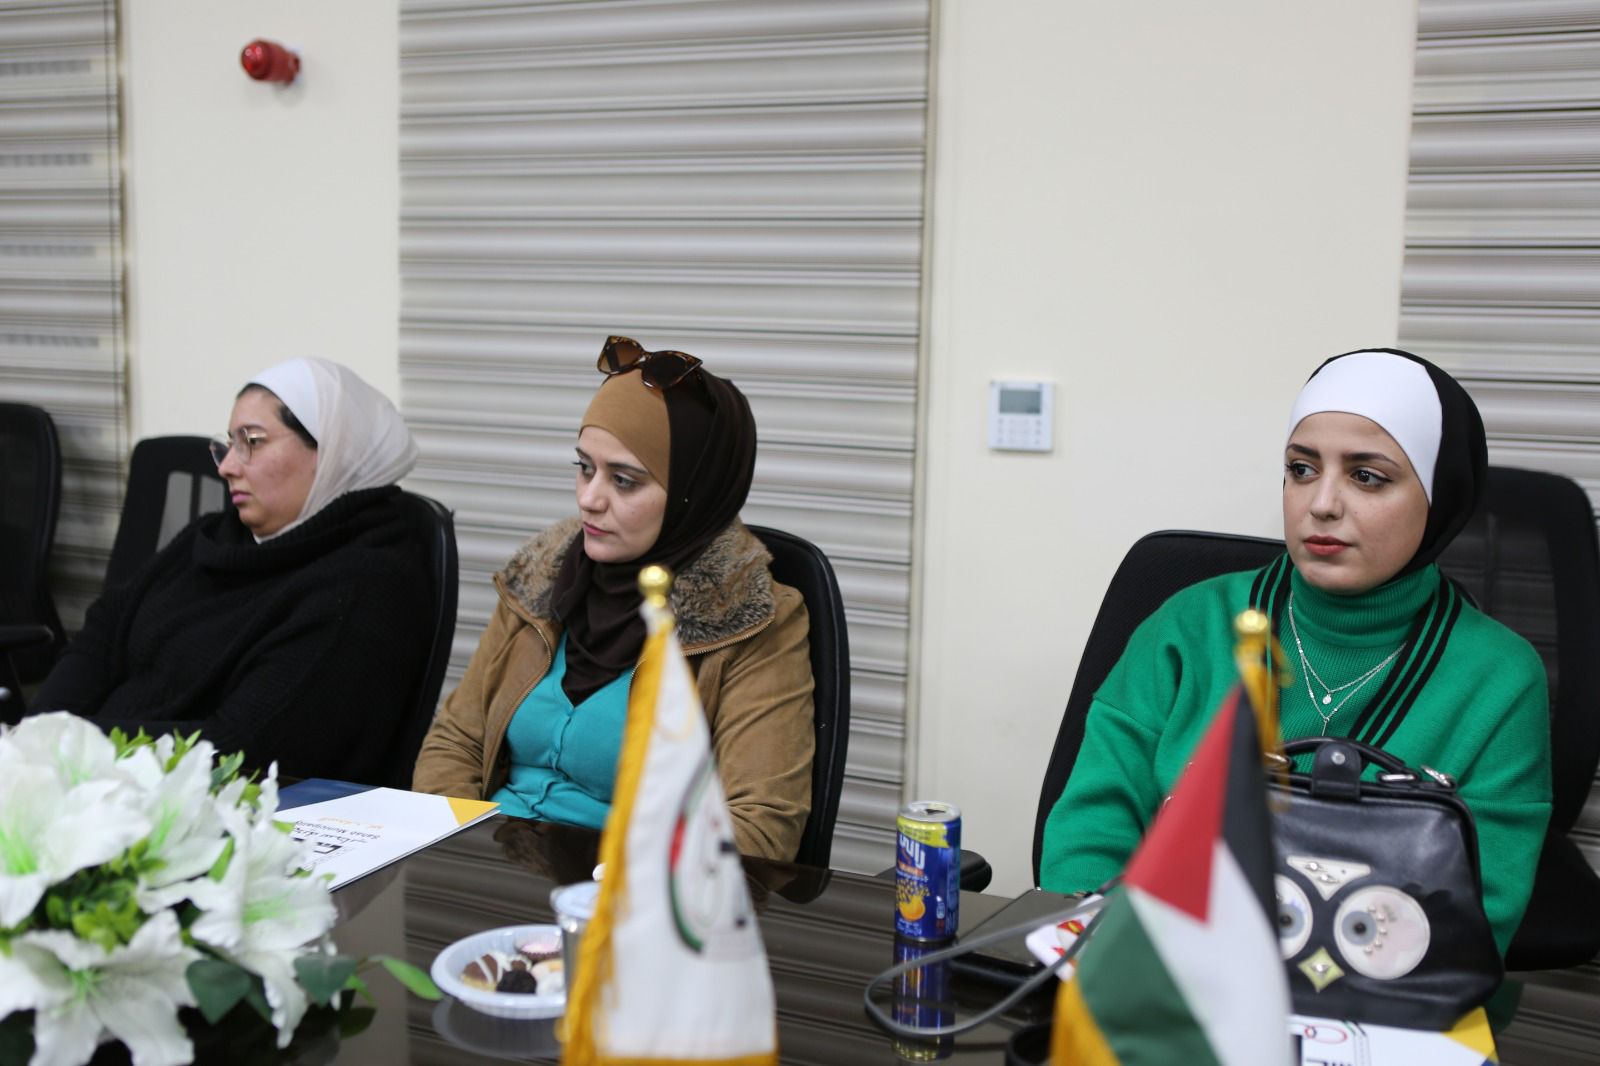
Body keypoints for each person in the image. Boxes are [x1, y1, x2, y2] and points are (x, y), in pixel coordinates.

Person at [1039, 348, 1552, 955]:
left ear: (1440, 497)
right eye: (1302, 469)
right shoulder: (1187, 626)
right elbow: (1089, 835)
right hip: (1156, 973)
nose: (1322, 503)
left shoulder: (1501, 679)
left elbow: (1473, 921)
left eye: (1367, 476)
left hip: (1377, 995)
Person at [413, 336, 815, 862]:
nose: (589, 498)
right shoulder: (538, 579)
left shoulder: (753, 620)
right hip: (492, 867)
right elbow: (456, 741)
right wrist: (459, 858)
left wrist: (610, 890)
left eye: (624, 481)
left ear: (694, 494)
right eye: (585, 467)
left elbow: (761, 829)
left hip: (629, 893)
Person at [34, 358, 431, 783]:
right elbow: (104, 632)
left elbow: (241, 749)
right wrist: (38, 732)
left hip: (202, 802)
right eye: (228, 444)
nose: (226, 467)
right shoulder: (214, 537)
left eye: (252, 442)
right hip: (87, 768)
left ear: (330, 451)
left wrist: (72, 743)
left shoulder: (364, 585)